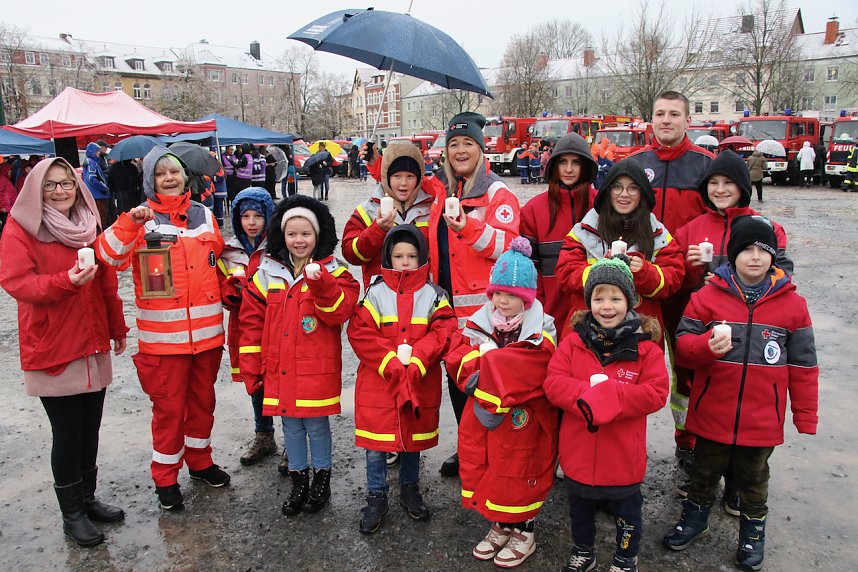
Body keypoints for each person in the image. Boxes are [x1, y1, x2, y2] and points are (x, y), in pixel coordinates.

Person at [662, 215, 818, 571]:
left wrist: (805, 415)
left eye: (762, 250)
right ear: (731, 256)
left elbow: (805, 366)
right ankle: (694, 519)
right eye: (745, 249)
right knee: (703, 472)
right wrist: (706, 347)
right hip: (712, 413)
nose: (754, 257)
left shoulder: (792, 305)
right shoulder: (707, 297)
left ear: (773, 257)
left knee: (754, 480)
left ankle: (752, 532)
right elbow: (683, 347)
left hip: (762, 419)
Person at [0, 157, 128, 547]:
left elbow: (106, 279)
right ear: (37, 190)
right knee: (68, 434)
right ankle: (71, 514)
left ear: (78, 187)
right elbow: (17, 282)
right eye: (50, 185)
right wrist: (66, 282)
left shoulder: (89, 224)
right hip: (54, 344)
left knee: (90, 429)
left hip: (91, 342)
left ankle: (87, 499)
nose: (59, 191)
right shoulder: (21, 228)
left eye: (66, 183)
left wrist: (116, 325)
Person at [96, 148, 229, 511]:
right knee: (169, 412)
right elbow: (108, 257)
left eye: (175, 172)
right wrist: (129, 223)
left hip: (207, 339)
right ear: (149, 181)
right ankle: (166, 478)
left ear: (186, 178)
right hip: (164, 344)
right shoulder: (140, 218)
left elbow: (217, 260)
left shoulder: (205, 216)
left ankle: (200, 462)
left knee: (203, 404)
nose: (169, 178)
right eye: (160, 173)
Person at [673, 151, 793, 487]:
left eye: (728, 183)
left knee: (740, 395)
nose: (720, 189)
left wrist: (727, 277)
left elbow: (783, 275)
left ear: (743, 186)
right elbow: (674, 285)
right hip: (700, 328)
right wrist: (690, 267)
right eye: (714, 182)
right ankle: (688, 446)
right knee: (689, 389)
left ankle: (740, 471)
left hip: (752, 332)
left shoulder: (767, 228)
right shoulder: (690, 230)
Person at [545, 256, 669, 572]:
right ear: (589, 303)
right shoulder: (573, 343)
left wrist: (613, 396)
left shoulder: (647, 350)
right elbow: (554, 383)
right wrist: (588, 397)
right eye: (599, 298)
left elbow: (656, 393)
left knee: (628, 513)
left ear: (630, 300)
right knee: (580, 510)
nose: (607, 306)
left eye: (615, 297)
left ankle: (626, 557)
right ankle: (583, 551)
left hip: (622, 459)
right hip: (579, 456)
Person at [239, 195, 359, 516]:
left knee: (317, 427)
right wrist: (251, 369)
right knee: (290, 427)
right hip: (280, 370)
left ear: (317, 236)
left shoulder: (337, 272)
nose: (299, 240)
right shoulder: (266, 273)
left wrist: (321, 285)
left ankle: (322, 479)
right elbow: (251, 325)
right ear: (282, 235)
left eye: (306, 233)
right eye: (292, 234)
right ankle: (298, 480)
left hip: (316, 371)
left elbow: (338, 312)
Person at [444, 237, 557, 569]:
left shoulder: (541, 330)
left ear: (526, 298)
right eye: (499, 294)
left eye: (513, 296)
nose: (504, 302)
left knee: (521, 469)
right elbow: (456, 355)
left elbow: (535, 365)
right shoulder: (480, 323)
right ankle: (501, 523)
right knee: (492, 466)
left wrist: (489, 364)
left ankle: (524, 528)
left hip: (524, 417)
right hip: (488, 415)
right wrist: (481, 368)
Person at [427, 111, 521, 477]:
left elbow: (508, 244)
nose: (461, 150)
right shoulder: (447, 192)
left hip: (484, 312)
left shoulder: (497, 192)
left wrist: (468, 226)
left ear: (481, 150)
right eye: (454, 145)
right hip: (448, 308)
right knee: (458, 379)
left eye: (468, 143)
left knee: (486, 382)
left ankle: (491, 452)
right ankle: (469, 448)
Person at [347, 225, 457, 533]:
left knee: (412, 440)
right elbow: (359, 332)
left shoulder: (434, 295)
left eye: (411, 255)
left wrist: (420, 357)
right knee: (376, 444)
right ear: (388, 258)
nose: (405, 262)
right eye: (398, 256)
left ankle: (410, 488)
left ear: (422, 258)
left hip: (418, 379)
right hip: (381, 382)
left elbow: (445, 331)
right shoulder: (375, 292)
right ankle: (376, 494)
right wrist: (389, 361)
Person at [554, 158, 685, 340]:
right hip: (589, 332)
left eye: (633, 188)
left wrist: (644, 272)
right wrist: (599, 271)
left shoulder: (658, 234)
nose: (624, 194)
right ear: (608, 191)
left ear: (642, 193)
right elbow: (565, 273)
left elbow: (674, 277)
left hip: (640, 333)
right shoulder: (584, 230)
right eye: (617, 187)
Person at [217, 188, 277, 468]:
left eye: (257, 216)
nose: (251, 222)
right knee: (255, 380)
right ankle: (263, 434)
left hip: (276, 324)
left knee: (281, 377)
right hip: (245, 327)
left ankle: (293, 440)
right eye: (245, 216)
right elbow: (220, 292)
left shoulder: (279, 247)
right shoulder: (229, 252)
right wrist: (231, 291)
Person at [520, 132, 598, 335]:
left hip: (597, 313)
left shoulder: (601, 205)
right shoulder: (533, 210)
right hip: (550, 316)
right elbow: (530, 270)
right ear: (554, 165)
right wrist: (539, 309)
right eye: (563, 162)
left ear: (586, 166)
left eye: (576, 162)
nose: (569, 169)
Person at [342, 141, 434, 289]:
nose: (403, 183)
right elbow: (350, 254)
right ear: (386, 177)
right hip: (380, 300)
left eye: (410, 176)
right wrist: (377, 231)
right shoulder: (368, 210)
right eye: (397, 176)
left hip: (422, 297)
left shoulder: (432, 209)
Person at [630, 91, 713, 234]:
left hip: (690, 253)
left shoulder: (709, 164)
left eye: (674, 114)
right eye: (660, 114)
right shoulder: (633, 164)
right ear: (652, 120)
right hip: (643, 254)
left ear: (688, 121)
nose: (666, 120)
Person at [82, 142, 113, 229]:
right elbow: (92, 178)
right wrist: (103, 187)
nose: (99, 153)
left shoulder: (87, 161)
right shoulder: (92, 163)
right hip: (99, 195)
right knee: (102, 218)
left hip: (93, 195)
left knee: (96, 217)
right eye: (97, 151)